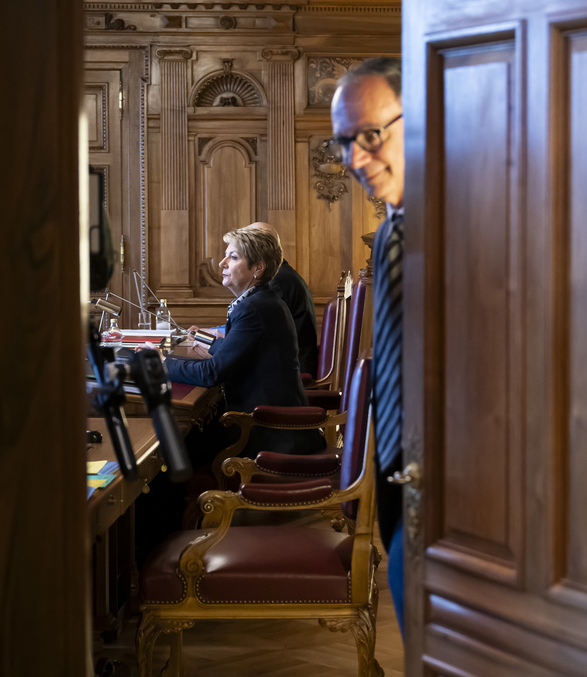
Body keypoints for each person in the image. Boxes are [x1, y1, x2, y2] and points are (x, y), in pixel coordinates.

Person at [135, 226, 323, 558]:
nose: (222, 262)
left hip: (266, 431)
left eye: (233, 257)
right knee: (171, 445)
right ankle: (162, 549)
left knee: (163, 457)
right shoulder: (258, 301)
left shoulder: (256, 307)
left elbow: (211, 373)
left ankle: (156, 556)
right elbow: (227, 359)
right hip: (259, 420)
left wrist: (159, 361)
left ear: (257, 268)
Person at [331, 56, 407, 634]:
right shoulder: (387, 235)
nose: (355, 159)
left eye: (371, 135)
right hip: (404, 500)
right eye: (343, 143)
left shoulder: (483, 217)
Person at [248, 221, 319, 379]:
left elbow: (257, 338)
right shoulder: (281, 274)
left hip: (290, 374)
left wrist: (210, 339)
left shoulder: (277, 281)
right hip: (289, 366)